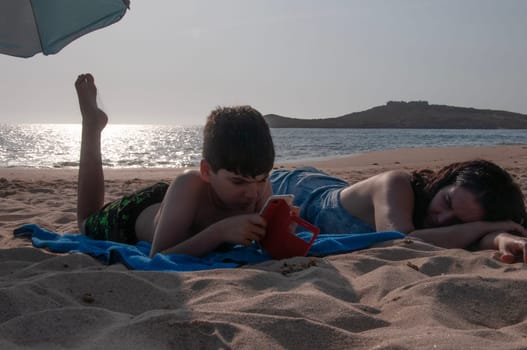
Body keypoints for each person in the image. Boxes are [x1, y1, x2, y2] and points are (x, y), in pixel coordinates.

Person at [75, 73, 275, 257]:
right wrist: (220, 232)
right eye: (238, 182)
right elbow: (159, 255)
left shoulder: (259, 187)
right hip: (134, 215)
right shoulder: (190, 184)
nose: (252, 193)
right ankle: (91, 123)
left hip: (172, 205)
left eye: (261, 179)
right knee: (85, 222)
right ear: (206, 171)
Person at [271, 161, 527, 263]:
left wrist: (503, 238)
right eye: (447, 202)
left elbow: (470, 239)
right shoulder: (395, 183)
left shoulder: (452, 225)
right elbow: (400, 241)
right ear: (443, 180)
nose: (442, 219)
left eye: (459, 221)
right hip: (300, 190)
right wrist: (481, 227)